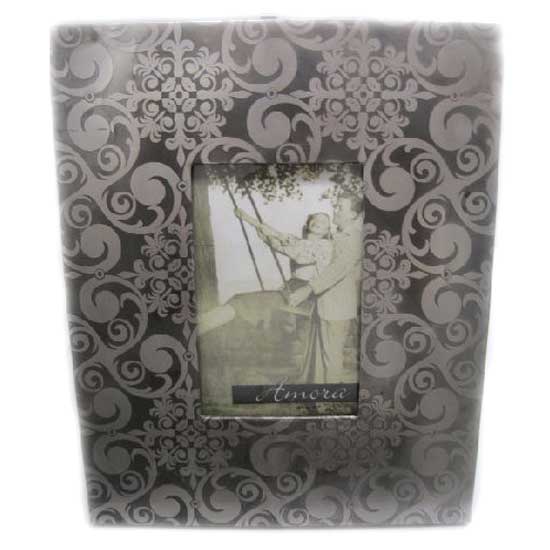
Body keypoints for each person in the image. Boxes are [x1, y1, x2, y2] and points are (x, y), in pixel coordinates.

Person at [287, 192, 363, 384]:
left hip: (337, 308)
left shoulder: (354, 238)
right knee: (321, 362)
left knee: (331, 361)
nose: (335, 210)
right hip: (324, 306)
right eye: (336, 205)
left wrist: (307, 289)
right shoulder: (336, 237)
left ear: (353, 214)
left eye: (340, 207)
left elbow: (337, 269)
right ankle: (321, 396)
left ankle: (333, 397)